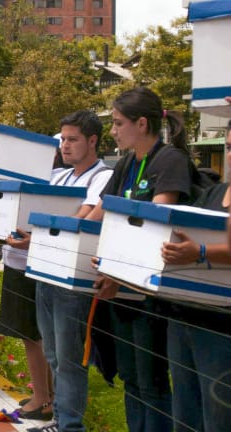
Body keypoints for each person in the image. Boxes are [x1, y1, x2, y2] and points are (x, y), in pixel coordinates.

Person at [88, 87, 194, 431]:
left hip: (151, 293)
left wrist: (120, 272)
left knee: (152, 383)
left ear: (142, 123)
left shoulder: (170, 160)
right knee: (131, 378)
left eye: (119, 123)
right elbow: (99, 214)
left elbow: (157, 225)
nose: (114, 131)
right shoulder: (127, 163)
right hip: (121, 288)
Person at [27, 110, 113, 432]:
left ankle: (71, 426)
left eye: (72, 139)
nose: (65, 146)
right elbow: (35, 210)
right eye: (62, 139)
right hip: (46, 273)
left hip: (73, 282)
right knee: (53, 354)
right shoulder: (60, 177)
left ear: (92, 141)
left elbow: (84, 219)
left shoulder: (101, 177)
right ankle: (61, 420)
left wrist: (43, 226)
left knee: (69, 359)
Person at [158, 119, 231, 432]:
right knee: (185, 415)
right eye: (229, 147)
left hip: (221, 326)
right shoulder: (214, 192)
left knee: (219, 418)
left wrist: (200, 252)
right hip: (185, 316)